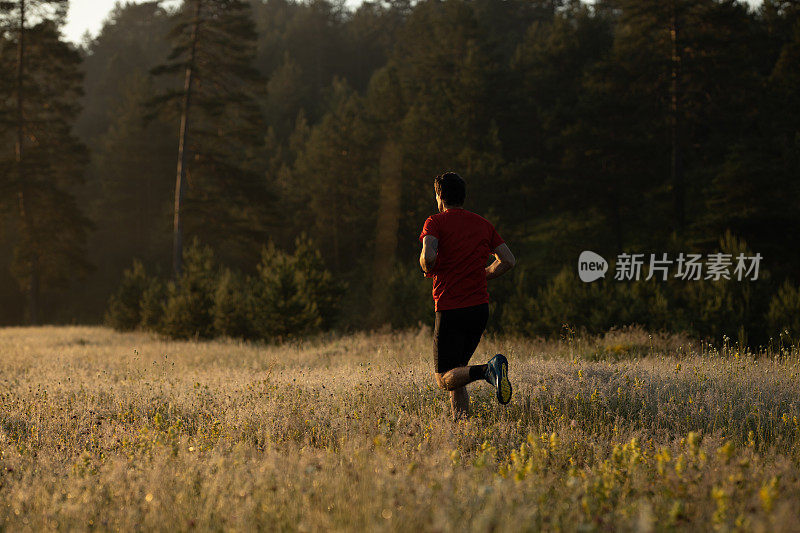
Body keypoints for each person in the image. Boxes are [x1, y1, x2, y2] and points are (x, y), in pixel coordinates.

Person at [418, 172, 516, 420]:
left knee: (443, 379)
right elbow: (508, 261)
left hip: (451, 308)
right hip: (479, 310)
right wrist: (480, 275)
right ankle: (462, 431)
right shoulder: (483, 224)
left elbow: (429, 257)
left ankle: (488, 370)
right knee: (458, 372)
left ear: (440, 196)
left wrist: (426, 266)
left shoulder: (435, 222)